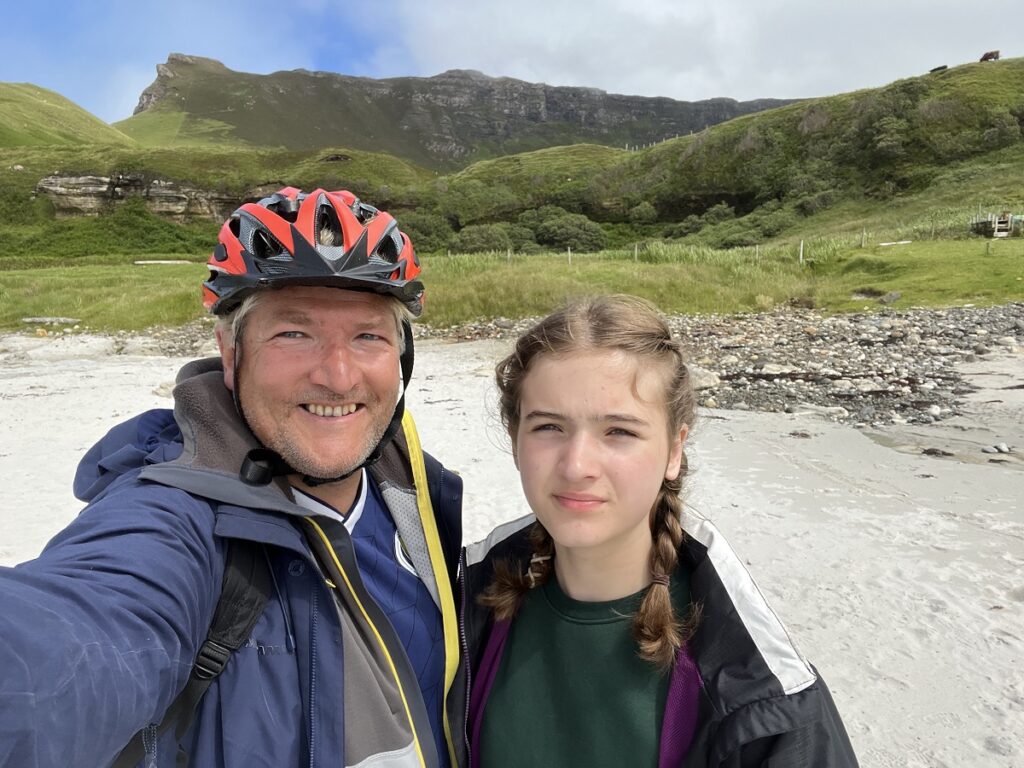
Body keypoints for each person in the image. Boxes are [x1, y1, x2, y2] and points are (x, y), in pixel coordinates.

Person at [0, 188, 466, 768]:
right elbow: (74, 638)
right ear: (229, 349)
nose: (339, 377)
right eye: (293, 333)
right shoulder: (175, 522)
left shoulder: (414, 492)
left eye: (368, 335)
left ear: (402, 353)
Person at [463, 295, 858, 767]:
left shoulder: (763, 693)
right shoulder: (460, 608)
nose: (577, 465)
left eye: (619, 432)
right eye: (549, 426)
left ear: (675, 450)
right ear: (515, 440)